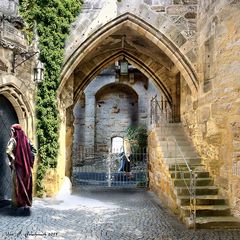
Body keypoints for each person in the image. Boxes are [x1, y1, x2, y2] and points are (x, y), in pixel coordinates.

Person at [6, 124, 36, 213]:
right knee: (27, 185)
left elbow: (8, 151)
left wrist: (14, 159)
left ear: (14, 131)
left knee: (17, 185)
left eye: (12, 130)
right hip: (27, 168)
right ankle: (26, 203)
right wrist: (29, 160)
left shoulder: (13, 140)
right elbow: (34, 151)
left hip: (18, 168)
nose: (11, 132)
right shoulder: (26, 139)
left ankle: (17, 204)